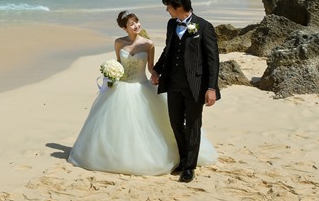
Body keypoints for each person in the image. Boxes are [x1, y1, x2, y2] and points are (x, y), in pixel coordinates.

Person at [69, 10, 217, 176]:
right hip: (121, 88)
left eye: (136, 21)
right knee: (116, 126)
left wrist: (156, 75)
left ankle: (183, 156)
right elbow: (119, 64)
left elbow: (151, 68)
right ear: (125, 28)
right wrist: (111, 74)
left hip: (141, 87)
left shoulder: (148, 44)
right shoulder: (119, 43)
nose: (136, 25)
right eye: (131, 24)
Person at [151, 0, 221, 183]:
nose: (167, 11)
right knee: (175, 123)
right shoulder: (171, 25)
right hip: (173, 82)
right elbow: (168, 49)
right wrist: (157, 69)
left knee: (192, 126)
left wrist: (211, 88)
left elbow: (213, 60)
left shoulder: (204, 27)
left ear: (179, 6)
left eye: (169, 7)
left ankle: (189, 167)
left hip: (195, 86)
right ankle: (184, 158)